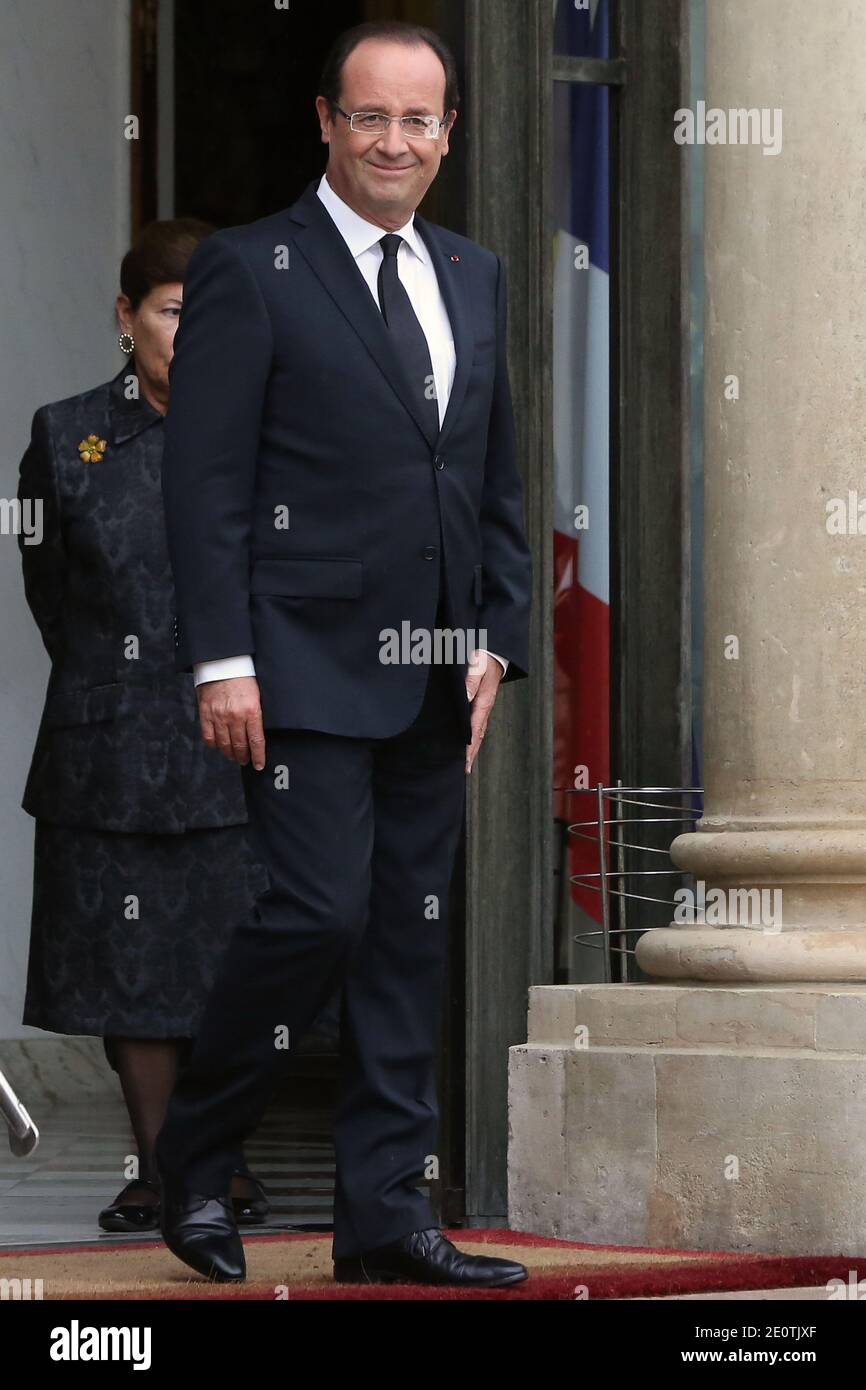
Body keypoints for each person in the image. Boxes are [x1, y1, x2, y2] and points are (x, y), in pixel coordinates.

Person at [156, 21, 533, 1287]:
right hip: (296, 660)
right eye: (370, 117)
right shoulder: (250, 267)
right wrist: (221, 661)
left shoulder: (473, 274)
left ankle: (383, 1215)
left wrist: (495, 640)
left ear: (447, 134)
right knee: (316, 913)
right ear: (325, 121)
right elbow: (204, 487)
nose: (394, 141)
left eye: (418, 120)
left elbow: (489, 476)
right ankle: (194, 1165)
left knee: (404, 938)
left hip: (434, 665)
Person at [16, 220, 272, 1234]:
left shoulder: (269, 428)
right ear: (128, 318)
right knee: (131, 967)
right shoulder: (67, 434)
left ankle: (219, 1160)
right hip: (112, 744)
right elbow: (55, 594)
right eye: (172, 311)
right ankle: (165, 1169)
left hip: (241, 738)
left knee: (232, 956)